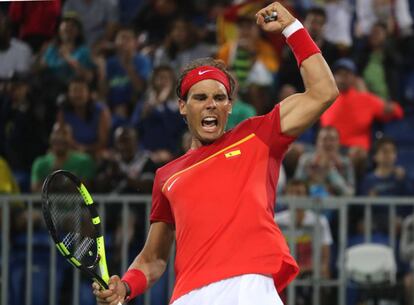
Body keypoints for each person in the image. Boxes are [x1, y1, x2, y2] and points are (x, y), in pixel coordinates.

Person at [93, 2, 339, 304]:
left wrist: (292, 28)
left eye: (219, 97)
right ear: (183, 107)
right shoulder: (166, 177)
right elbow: (154, 258)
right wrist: (126, 286)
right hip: (190, 296)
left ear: (229, 106)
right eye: (200, 97)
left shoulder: (258, 136)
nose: (211, 104)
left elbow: (323, 92)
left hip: (250, 288)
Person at [276, 179, 333, 304]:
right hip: (284, 272)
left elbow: (325, 259)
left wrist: (312, 269)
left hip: (310, 273)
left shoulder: (320, 221)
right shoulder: (277, 221)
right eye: (292, 193)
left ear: (306, 197)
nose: (295, 197)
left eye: (299, 193)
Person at [31, 122, 95, 192]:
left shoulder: (84, 161)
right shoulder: (40, 163)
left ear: (71, 138)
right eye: (56, 133)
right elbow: (35, 190)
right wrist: (51, 183)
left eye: (64, 133)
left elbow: (87, 192)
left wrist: (68, 182)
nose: (59, 137)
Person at [57, 77, 111, 158]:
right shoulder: (63, 113)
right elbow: (63, 139)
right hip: (72, 153)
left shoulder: (101, 111)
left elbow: (103, 141)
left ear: (89, 93)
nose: (77, 95)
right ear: (68, 94)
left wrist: (85, 150)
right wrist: (78, 150)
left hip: (96, 152)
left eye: (81, 90)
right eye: (74, 90)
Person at [295, 126, 355, 197]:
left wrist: (331, 171)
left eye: (332, 139)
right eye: (324, 139)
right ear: (317, 142)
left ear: (338, 143)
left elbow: (350, 194)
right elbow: (296, 190)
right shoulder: (306, 160)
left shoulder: (346, 163)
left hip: (337, 207)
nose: (328, 143)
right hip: (308, 206)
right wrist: (313, 170)